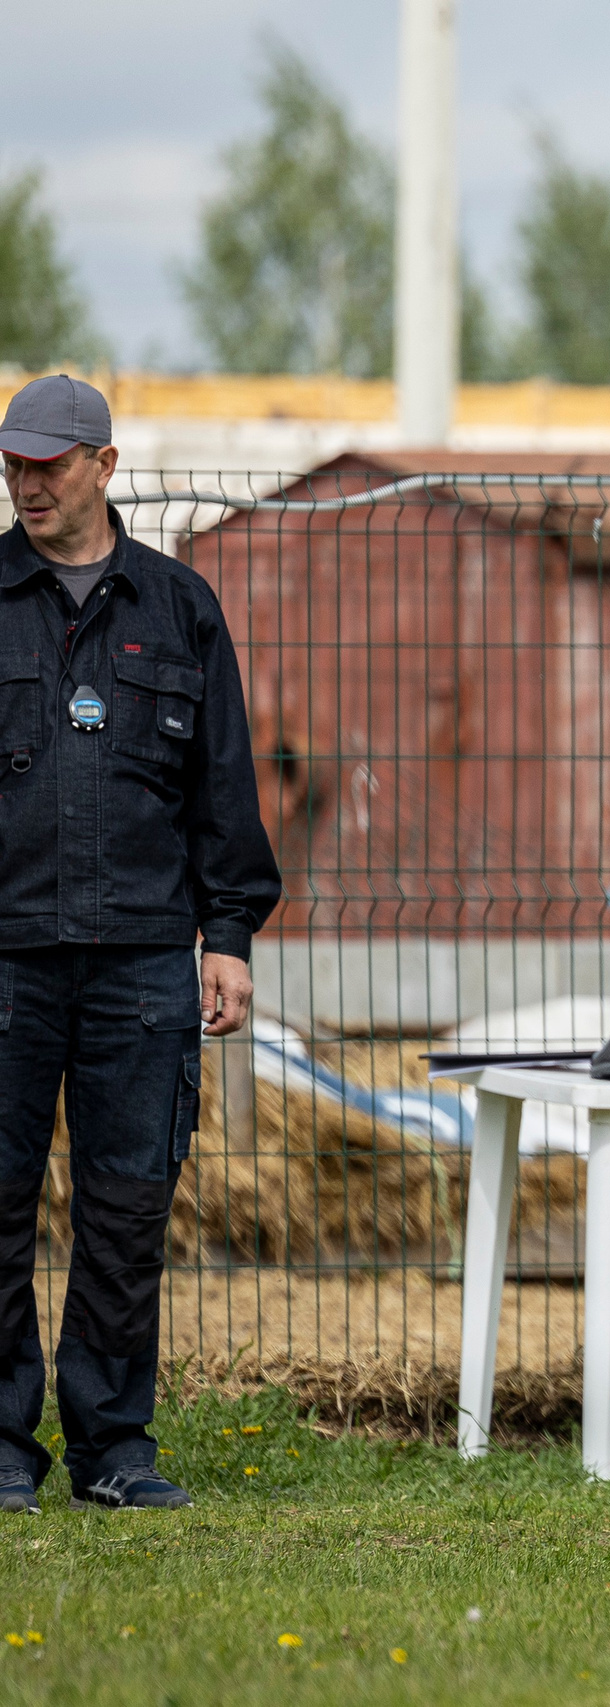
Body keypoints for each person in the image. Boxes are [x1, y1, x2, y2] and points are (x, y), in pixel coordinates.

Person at [0, 375, 281, 1514]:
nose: (27, 482)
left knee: (124, 1211)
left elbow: (222, 786)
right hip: (7, 958)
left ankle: (115, 1448)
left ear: (104, 467)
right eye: (14, 463)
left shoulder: (178, 608)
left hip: (142, 964)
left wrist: (230, 934)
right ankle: (4, 1452)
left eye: (49, 464)